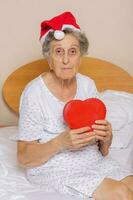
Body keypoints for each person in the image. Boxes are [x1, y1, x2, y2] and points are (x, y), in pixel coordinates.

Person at [17, 11, 133, 200]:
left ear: (81, 56)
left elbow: (102, 151)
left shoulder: (88, 85)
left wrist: (106, 138)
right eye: (58, 52)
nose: (65, 60)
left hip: (92, 160)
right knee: (121, 193)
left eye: (72, 51)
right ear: (49, 58)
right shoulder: (34, 93)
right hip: (54, 168)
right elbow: (23, 157)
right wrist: (61, 142)